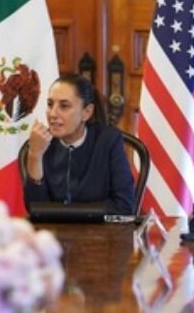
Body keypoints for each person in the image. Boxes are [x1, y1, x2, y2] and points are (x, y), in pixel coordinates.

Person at [23, 74, 135, 214]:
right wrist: (35, 156)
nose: (52, 114)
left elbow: (124, 205)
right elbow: (36, 209)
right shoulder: (41, 142)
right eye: (50, 104)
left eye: (64, 106)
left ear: (86, 112)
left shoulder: (109, 140)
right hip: (54, 233)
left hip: (100, 234)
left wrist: (68, 213)